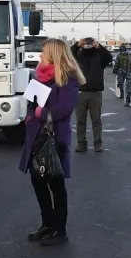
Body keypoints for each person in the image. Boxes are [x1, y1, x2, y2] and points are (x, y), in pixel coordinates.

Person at [18, 38, 84, 246]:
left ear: (54, 54)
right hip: (35, 136)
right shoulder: (38, 75)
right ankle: (47, 223)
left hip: (54, 137)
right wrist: (30, 115)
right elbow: (31, 102)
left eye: (43, 52)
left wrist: (41, 113)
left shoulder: (68, 77)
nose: (40, 56)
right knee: (37, 181)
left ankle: (59, 229)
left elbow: (64, 109)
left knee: (56, 182)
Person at [71, 37, 112, 152]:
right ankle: (81, 143)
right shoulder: (78, 58)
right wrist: (77, 45)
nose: (87, 46)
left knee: (96, 120)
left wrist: (99, 47)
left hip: (95, 93)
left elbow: (108, 57)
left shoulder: (99, 57)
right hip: (80, 92)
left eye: (90, 44)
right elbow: (68, 55)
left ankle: (98, 143)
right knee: (80, 120)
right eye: (86, 44)